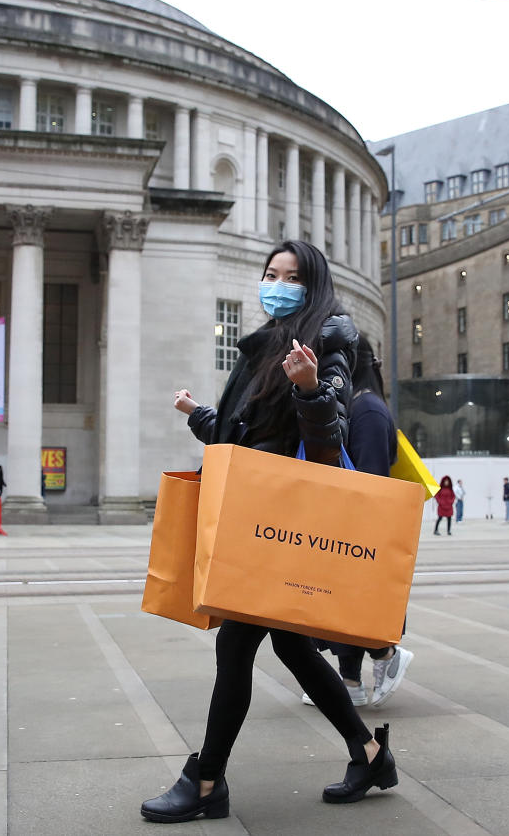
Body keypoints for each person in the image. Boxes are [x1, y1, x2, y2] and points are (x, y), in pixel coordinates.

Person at [144, 240, 395, 824]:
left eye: (290, 277)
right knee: (288, 644)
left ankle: (206, 781)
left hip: (281, 523)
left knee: (235, 646)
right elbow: (242, 435)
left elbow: (329, 435)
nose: (276, 284)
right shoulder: (261, 347)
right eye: (270, 273)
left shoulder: (330, 338)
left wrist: (308, 388)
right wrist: (196, 414)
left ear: (313, 286)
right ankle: (370, 752)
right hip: (250, 514)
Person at [304, 338, 413, 709]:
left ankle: (385, 655)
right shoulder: (360, 405)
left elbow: (370, 479)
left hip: (359, 524)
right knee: (341, 605)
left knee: (353, 601)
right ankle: (349, 680)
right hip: (348, 521)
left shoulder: (366, 409)